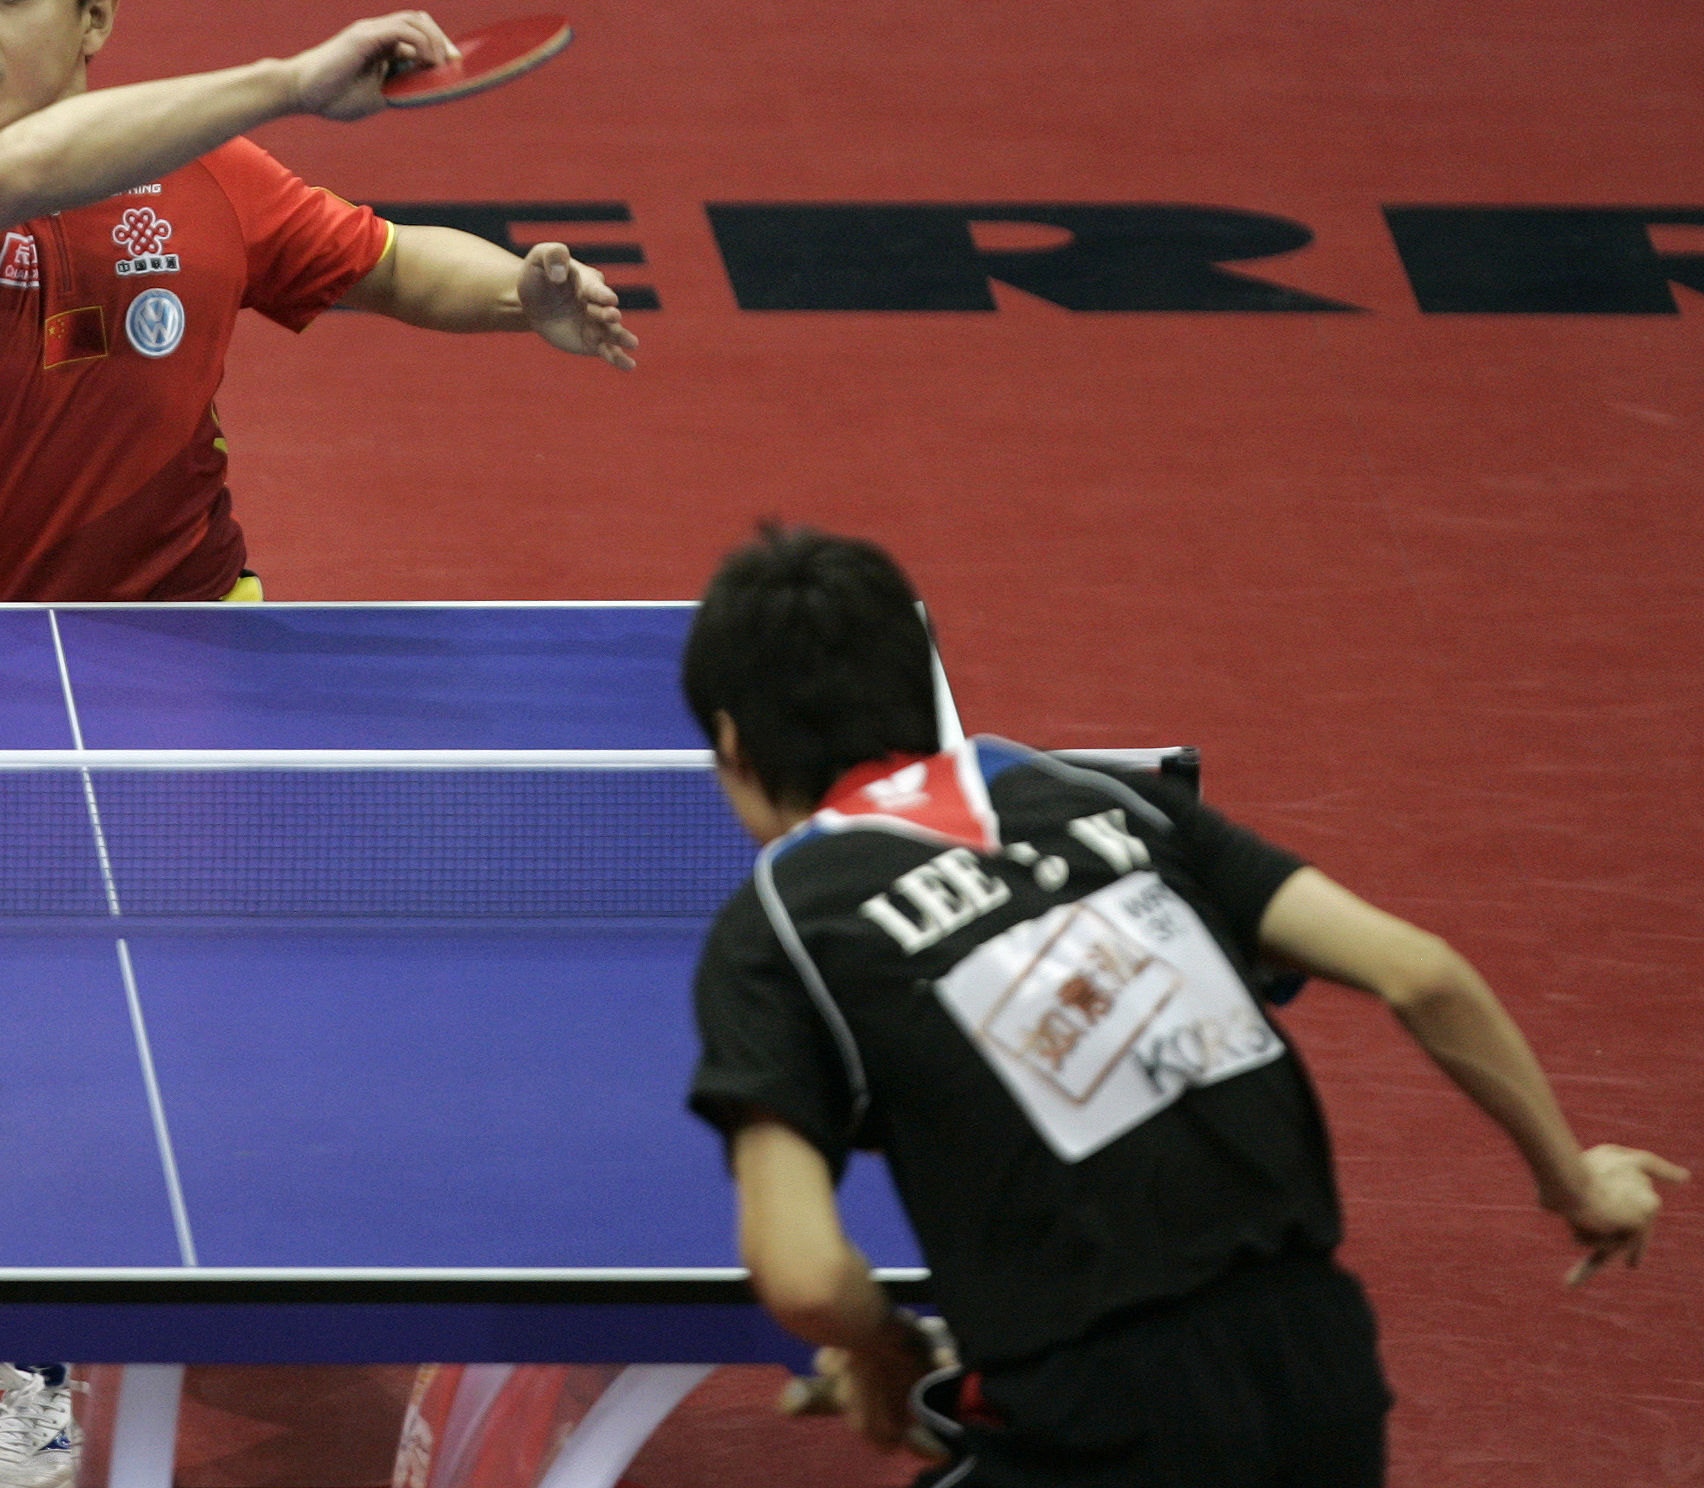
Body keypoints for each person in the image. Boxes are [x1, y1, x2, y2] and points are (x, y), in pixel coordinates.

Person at [678, 524, 1683, 1484]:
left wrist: (884, 1345)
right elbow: (1420, 971)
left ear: (731, 739)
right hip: (1317, 1360)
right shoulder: (1104, 799)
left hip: (1101, 1414)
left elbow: (803, 1273)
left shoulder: (778, 926)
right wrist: (1573, 1183)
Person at [0, 0, 637, 605]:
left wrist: (521, 295)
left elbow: (389, 266)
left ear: (95, 17)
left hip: (201, 641)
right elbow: (27, 166)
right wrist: (291, 84)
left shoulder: (206, 174)